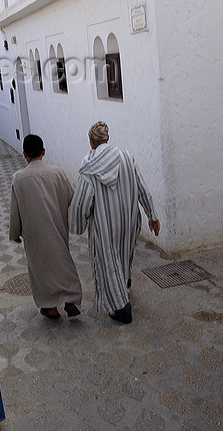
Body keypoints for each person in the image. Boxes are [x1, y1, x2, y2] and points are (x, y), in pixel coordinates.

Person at [69, 121, 160, 324]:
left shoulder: (89, 166)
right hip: (129, 221)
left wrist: (76, 225)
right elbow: (142, 188)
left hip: (105, 226)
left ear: (92, 141)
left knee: (109, 263)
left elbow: (81, 203)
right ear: (107, 139)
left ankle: (121, 309)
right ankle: (125, 282)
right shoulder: (127, 157)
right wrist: (152, 215)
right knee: (124, 253)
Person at [9, 134, 83, 319]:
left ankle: (51, 308)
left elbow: (14, 210)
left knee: (41, 269)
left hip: (34, 234)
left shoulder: (18, 178)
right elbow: (71, 198)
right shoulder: (58, 172)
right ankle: (70, 299)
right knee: (63, 261)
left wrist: (15, 233)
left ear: (24, 154)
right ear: (43, 151)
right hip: (57, 227)